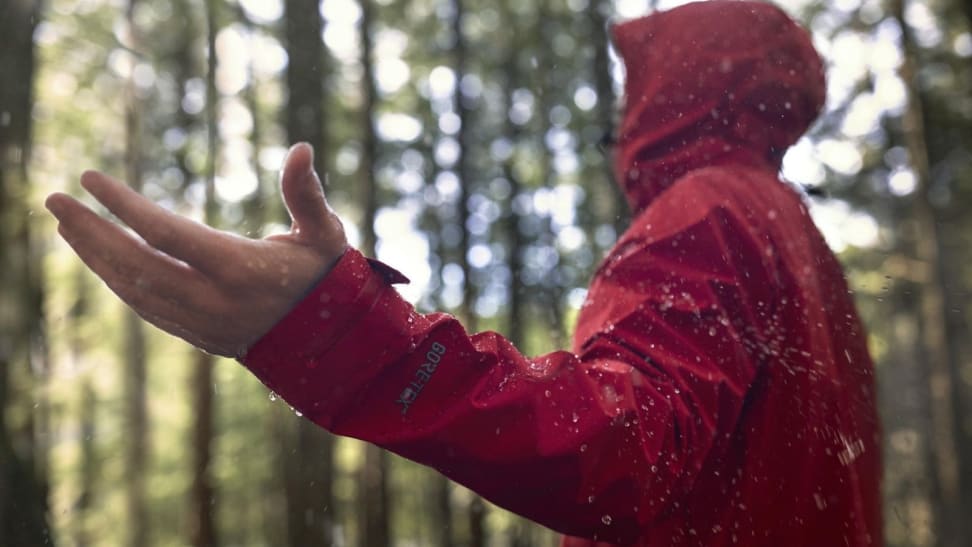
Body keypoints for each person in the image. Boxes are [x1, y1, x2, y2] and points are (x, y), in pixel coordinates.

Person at [46, 1, 882, 545]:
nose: (628, 109)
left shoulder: (707, 209)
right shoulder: (797, 237)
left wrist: (336, 332)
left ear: (686, 84)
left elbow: (623, 448)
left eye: (642, 81)